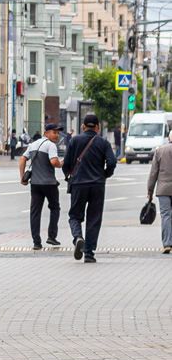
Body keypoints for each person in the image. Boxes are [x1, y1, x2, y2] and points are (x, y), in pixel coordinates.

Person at [64, 113, 116, 263]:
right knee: (94, 218)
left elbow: (66, 163)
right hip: (97, 185)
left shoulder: (74, 141)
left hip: (79, 184)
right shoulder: (103, 143)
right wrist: (105, 174)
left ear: (82, 126)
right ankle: (89, 253)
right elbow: (112, 162)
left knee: (75, 216)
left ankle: (78, 237)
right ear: (98, 127)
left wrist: (69, 175)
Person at [20, 123, 64, 251]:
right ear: (46, 133)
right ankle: (51, 236)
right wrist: (61, 164)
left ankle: (36, 242)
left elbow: (23, 159)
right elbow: (53, 162)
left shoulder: (33, 145)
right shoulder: (51, 145)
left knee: (35, 212)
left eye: (57, 133)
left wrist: (22, 177)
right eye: (54, 132)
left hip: (35, 184)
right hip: (49, 183)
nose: (56, 135)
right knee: (55, 208)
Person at [148, 132, 172, 254]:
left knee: (166, 215)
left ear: (169, 138)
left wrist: (150, 190)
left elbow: (154, 173)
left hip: (163, 189)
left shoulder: (160, 151)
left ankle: (167, 243)